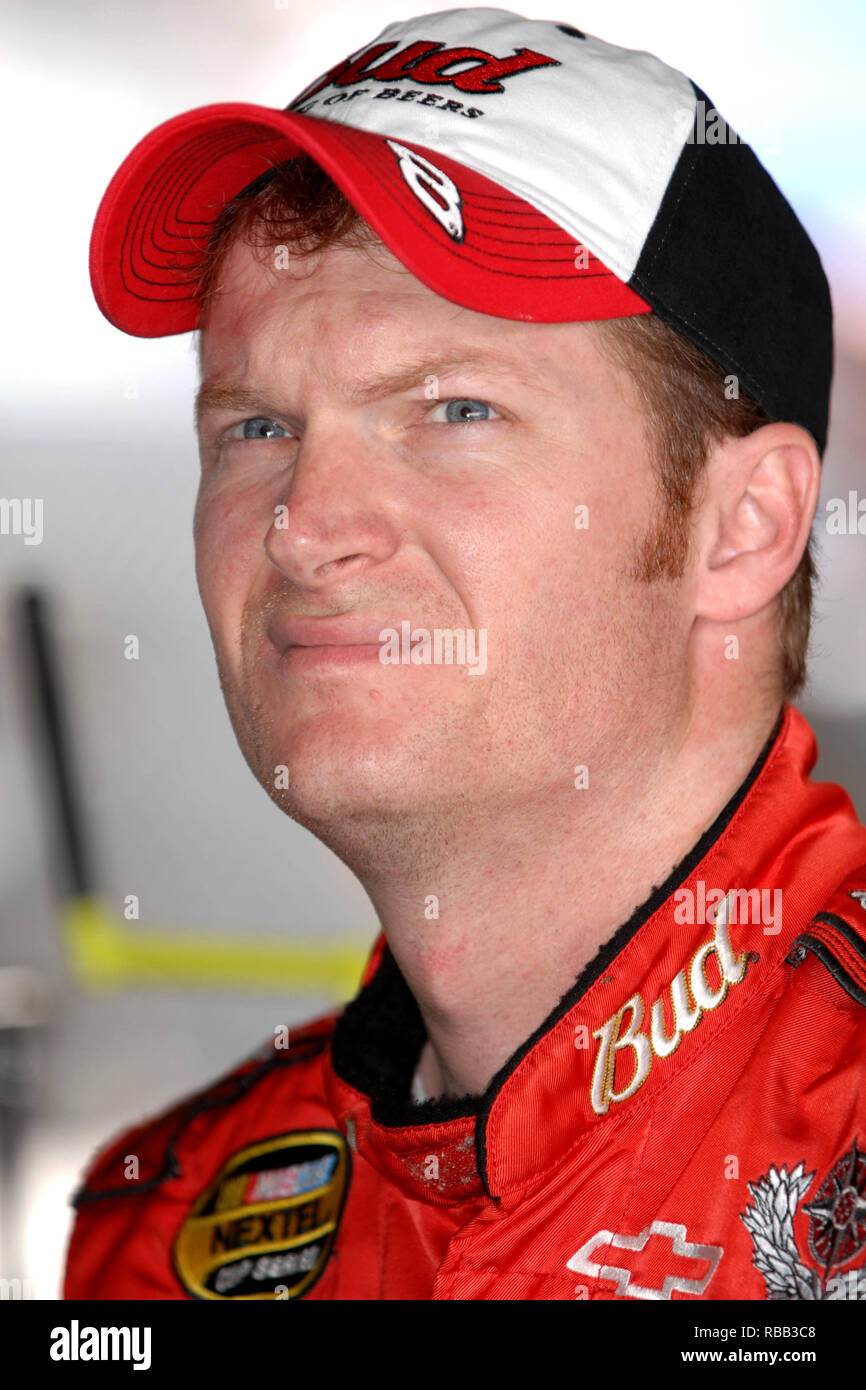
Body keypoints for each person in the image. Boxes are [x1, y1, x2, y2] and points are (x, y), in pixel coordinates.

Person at [65, 8, 866, 1301]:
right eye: (258, 421)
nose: (305, 524)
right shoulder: (163, 1225)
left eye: (452, 408)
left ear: (744, 525)